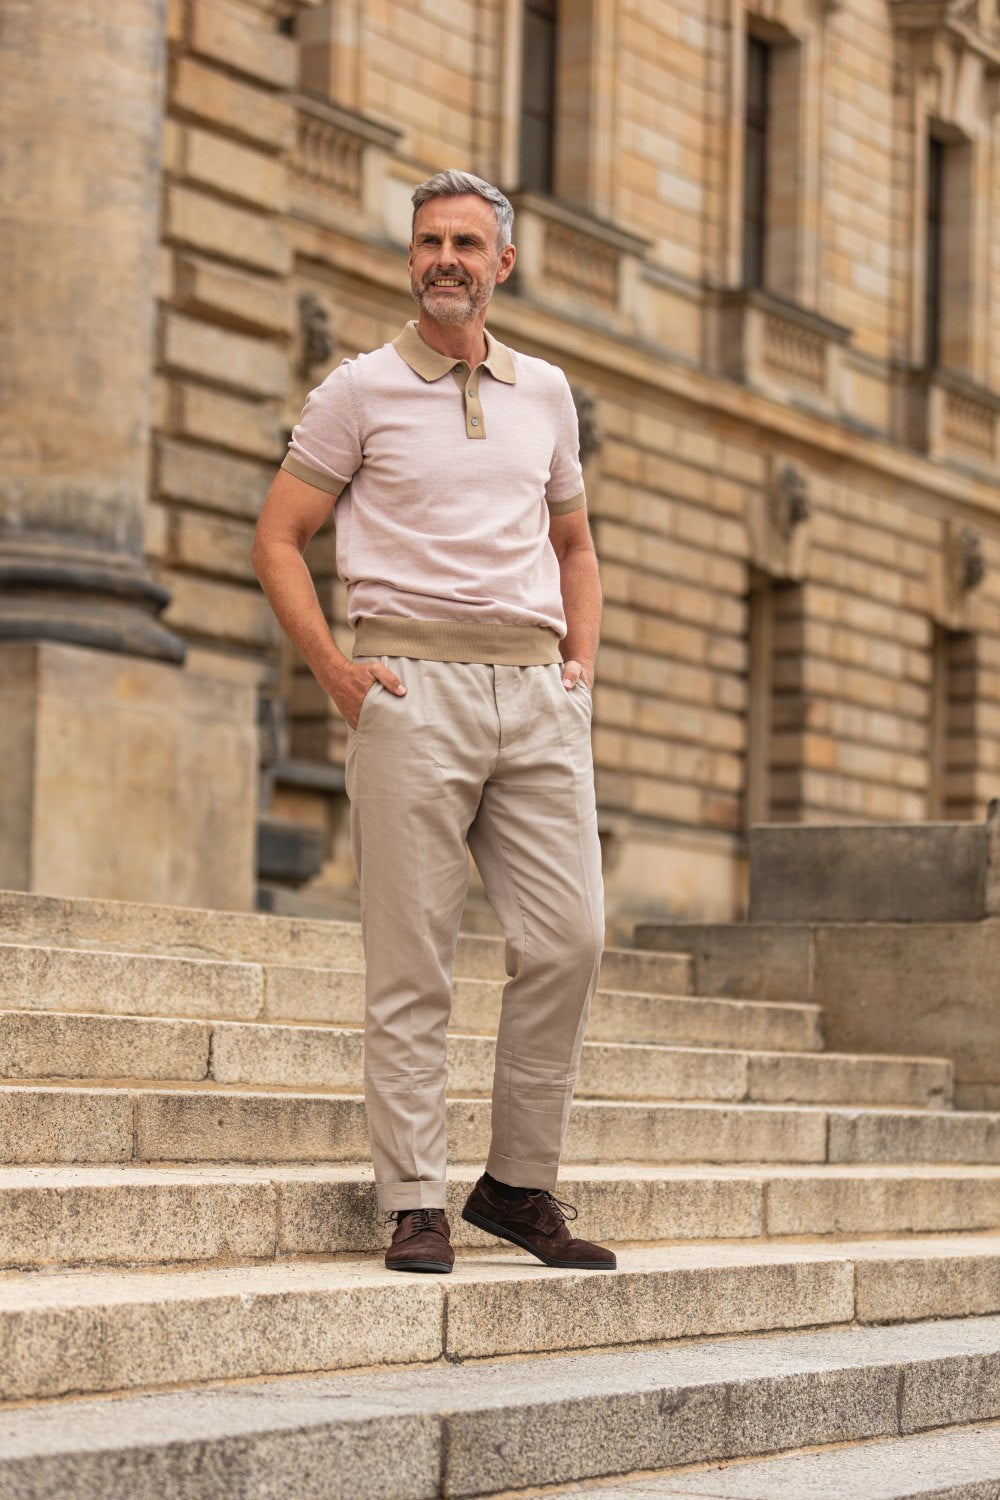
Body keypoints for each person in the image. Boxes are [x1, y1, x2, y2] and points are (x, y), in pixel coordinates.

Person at [252, 169, 615, 1274]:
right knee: (413, 963)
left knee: (571, 940)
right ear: (410, 260)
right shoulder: (356, 390)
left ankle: (513, 1185)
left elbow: (575, 549)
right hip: (409, 687)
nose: (444, 258)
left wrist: (580, 676)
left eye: (465, 241)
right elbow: (279, 538)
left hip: (537, 697)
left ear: (502, 263)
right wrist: (334, 673)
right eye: (427, 242)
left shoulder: (544, 392)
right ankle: (414, 1198)